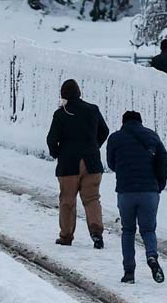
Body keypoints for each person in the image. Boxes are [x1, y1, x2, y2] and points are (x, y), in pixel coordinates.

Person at [106, 111, 167, 285]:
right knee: (148, 230)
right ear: (140, 122)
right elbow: (164, 163)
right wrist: (158, 185)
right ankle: (152, 256)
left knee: (128, 231)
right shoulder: (152, 136)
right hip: (149, 192)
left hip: (126, 192)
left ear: (123, 122)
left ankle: (129, 273)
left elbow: (111, 163)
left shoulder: (115, 138)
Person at [46, 79, 109, 249]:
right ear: (79, 92)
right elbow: (105, 131)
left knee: (67, 201)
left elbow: (51, 139)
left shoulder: (61, 114)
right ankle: (96, 233)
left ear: (63, 95)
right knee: (92, 199)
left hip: (69, 164)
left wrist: (56, 153)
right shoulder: (93, 109)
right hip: (92, 163)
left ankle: (66, 236)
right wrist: (95, 146)